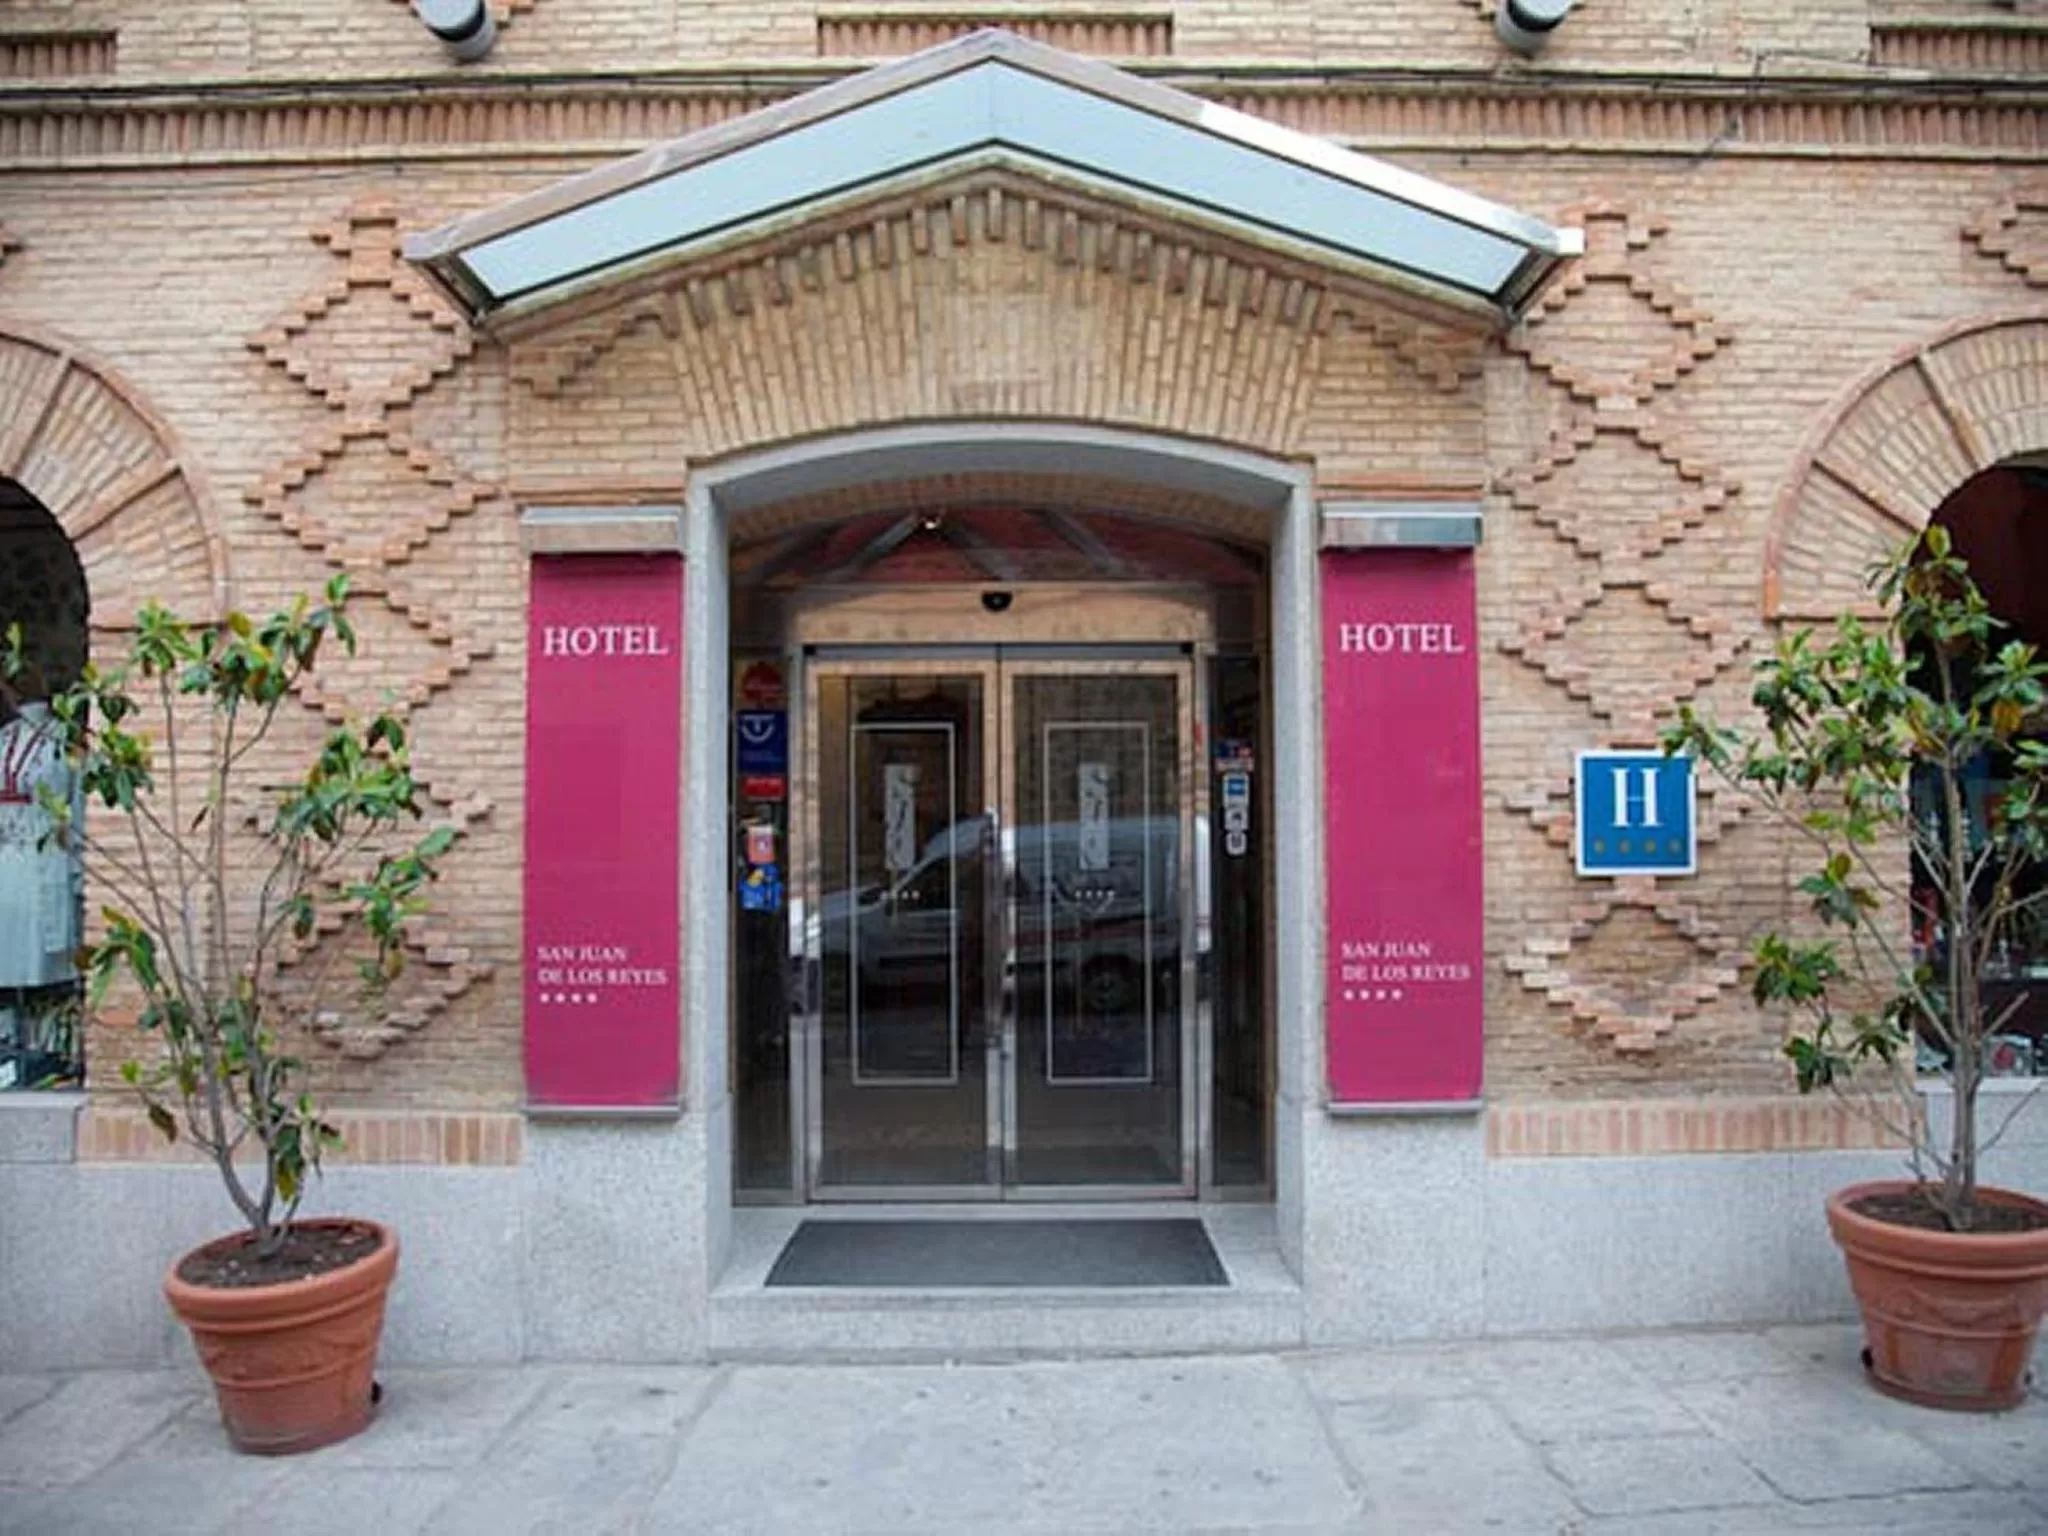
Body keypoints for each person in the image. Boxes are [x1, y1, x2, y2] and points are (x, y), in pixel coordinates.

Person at [0, 697, 80, 988]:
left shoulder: (65, 738)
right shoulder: (4, 737)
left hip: (45, 857)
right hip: (6, 860)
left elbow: (78, 804)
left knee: (39, 963)